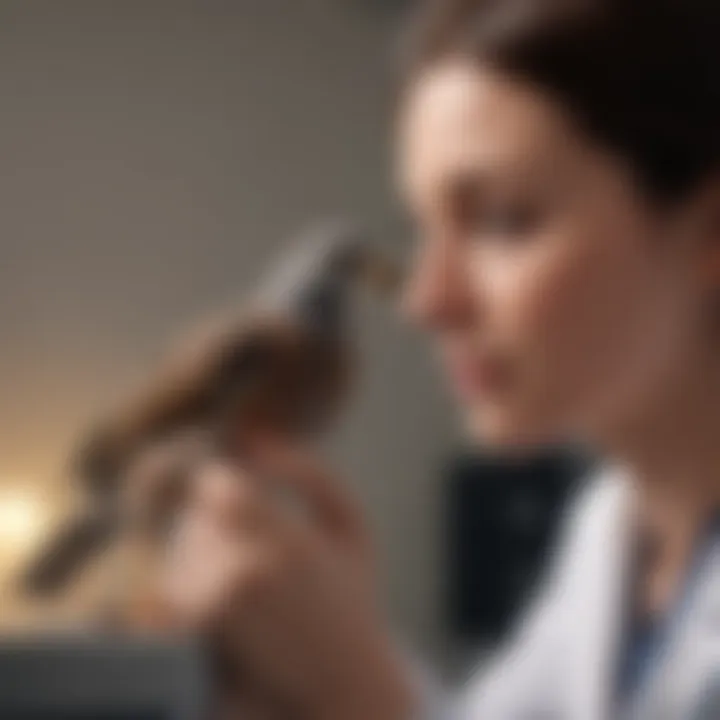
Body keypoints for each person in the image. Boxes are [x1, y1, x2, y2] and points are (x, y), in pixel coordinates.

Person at [131, 0, 720, 717]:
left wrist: (355, 694)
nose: (425, 303)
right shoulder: (610, 537)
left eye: (503, 219)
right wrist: (313, 654)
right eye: (422, 229)